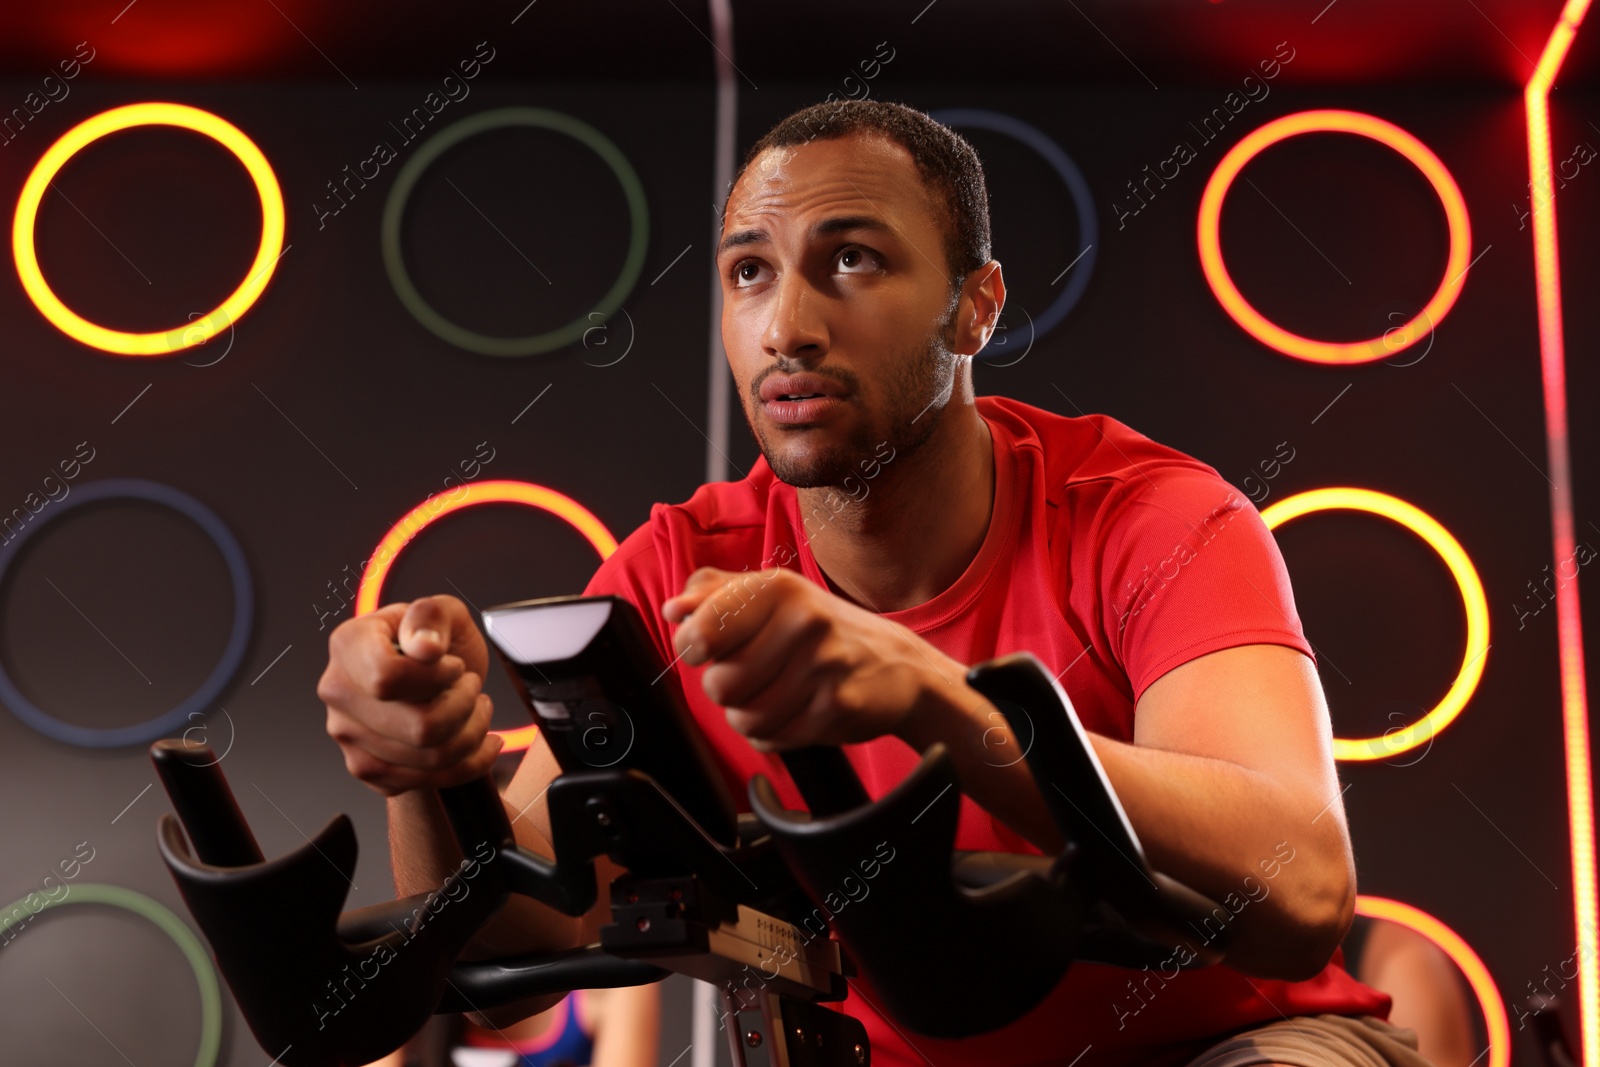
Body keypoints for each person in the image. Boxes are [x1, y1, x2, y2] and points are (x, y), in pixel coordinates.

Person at [318, 98, 1433, 1067]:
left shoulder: (1156, 517)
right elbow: (517, 934)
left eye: (852, 259)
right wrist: (423, 770)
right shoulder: (677, 568)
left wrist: (943, 701)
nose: (787, 327)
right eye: (749, 272)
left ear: (976, 306)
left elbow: (1297, 898)